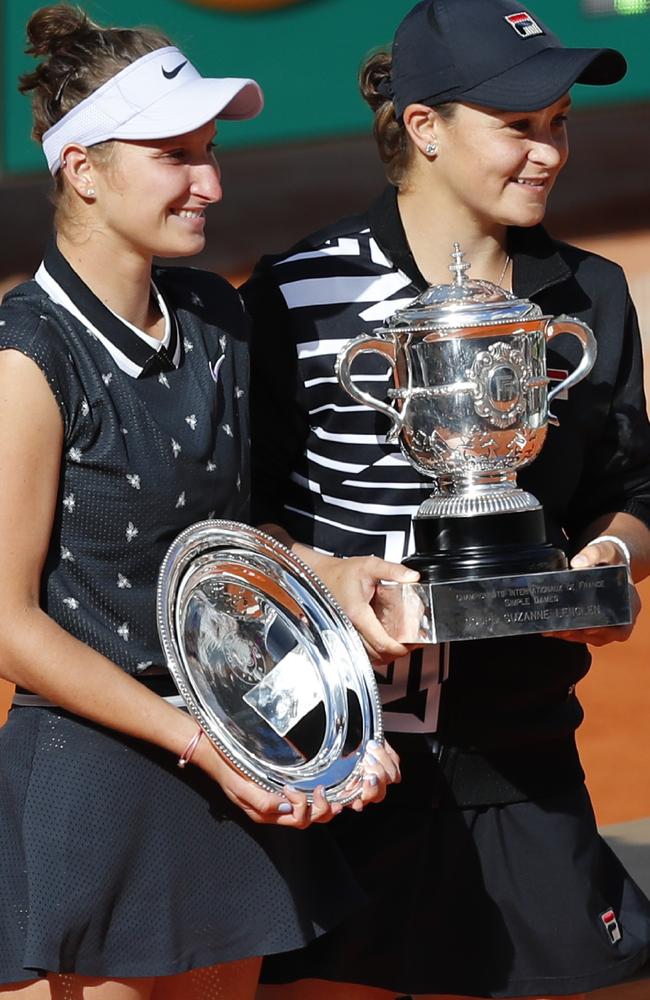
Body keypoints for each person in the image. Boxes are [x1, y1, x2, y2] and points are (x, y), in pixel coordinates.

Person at [242, 1, 650, 997]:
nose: (547, 151)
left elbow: (627, 489)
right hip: (337, 763)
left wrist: (606, 561)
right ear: (422, 127)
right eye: (518, 126)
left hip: (515, 748)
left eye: (558, 122)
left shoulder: (584, 293)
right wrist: (328, 574)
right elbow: (234, 516)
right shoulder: (294, 293)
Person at [0, 6, 399, 998]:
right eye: (175, 155)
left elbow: (227, 545)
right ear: (83, 169)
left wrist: (327, 575)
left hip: (231, 760)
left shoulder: (217, 313)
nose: (210, 182)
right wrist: (198, 742)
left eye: (210, 152)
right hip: (98, 785)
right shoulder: (27, 354)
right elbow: (6, 624)